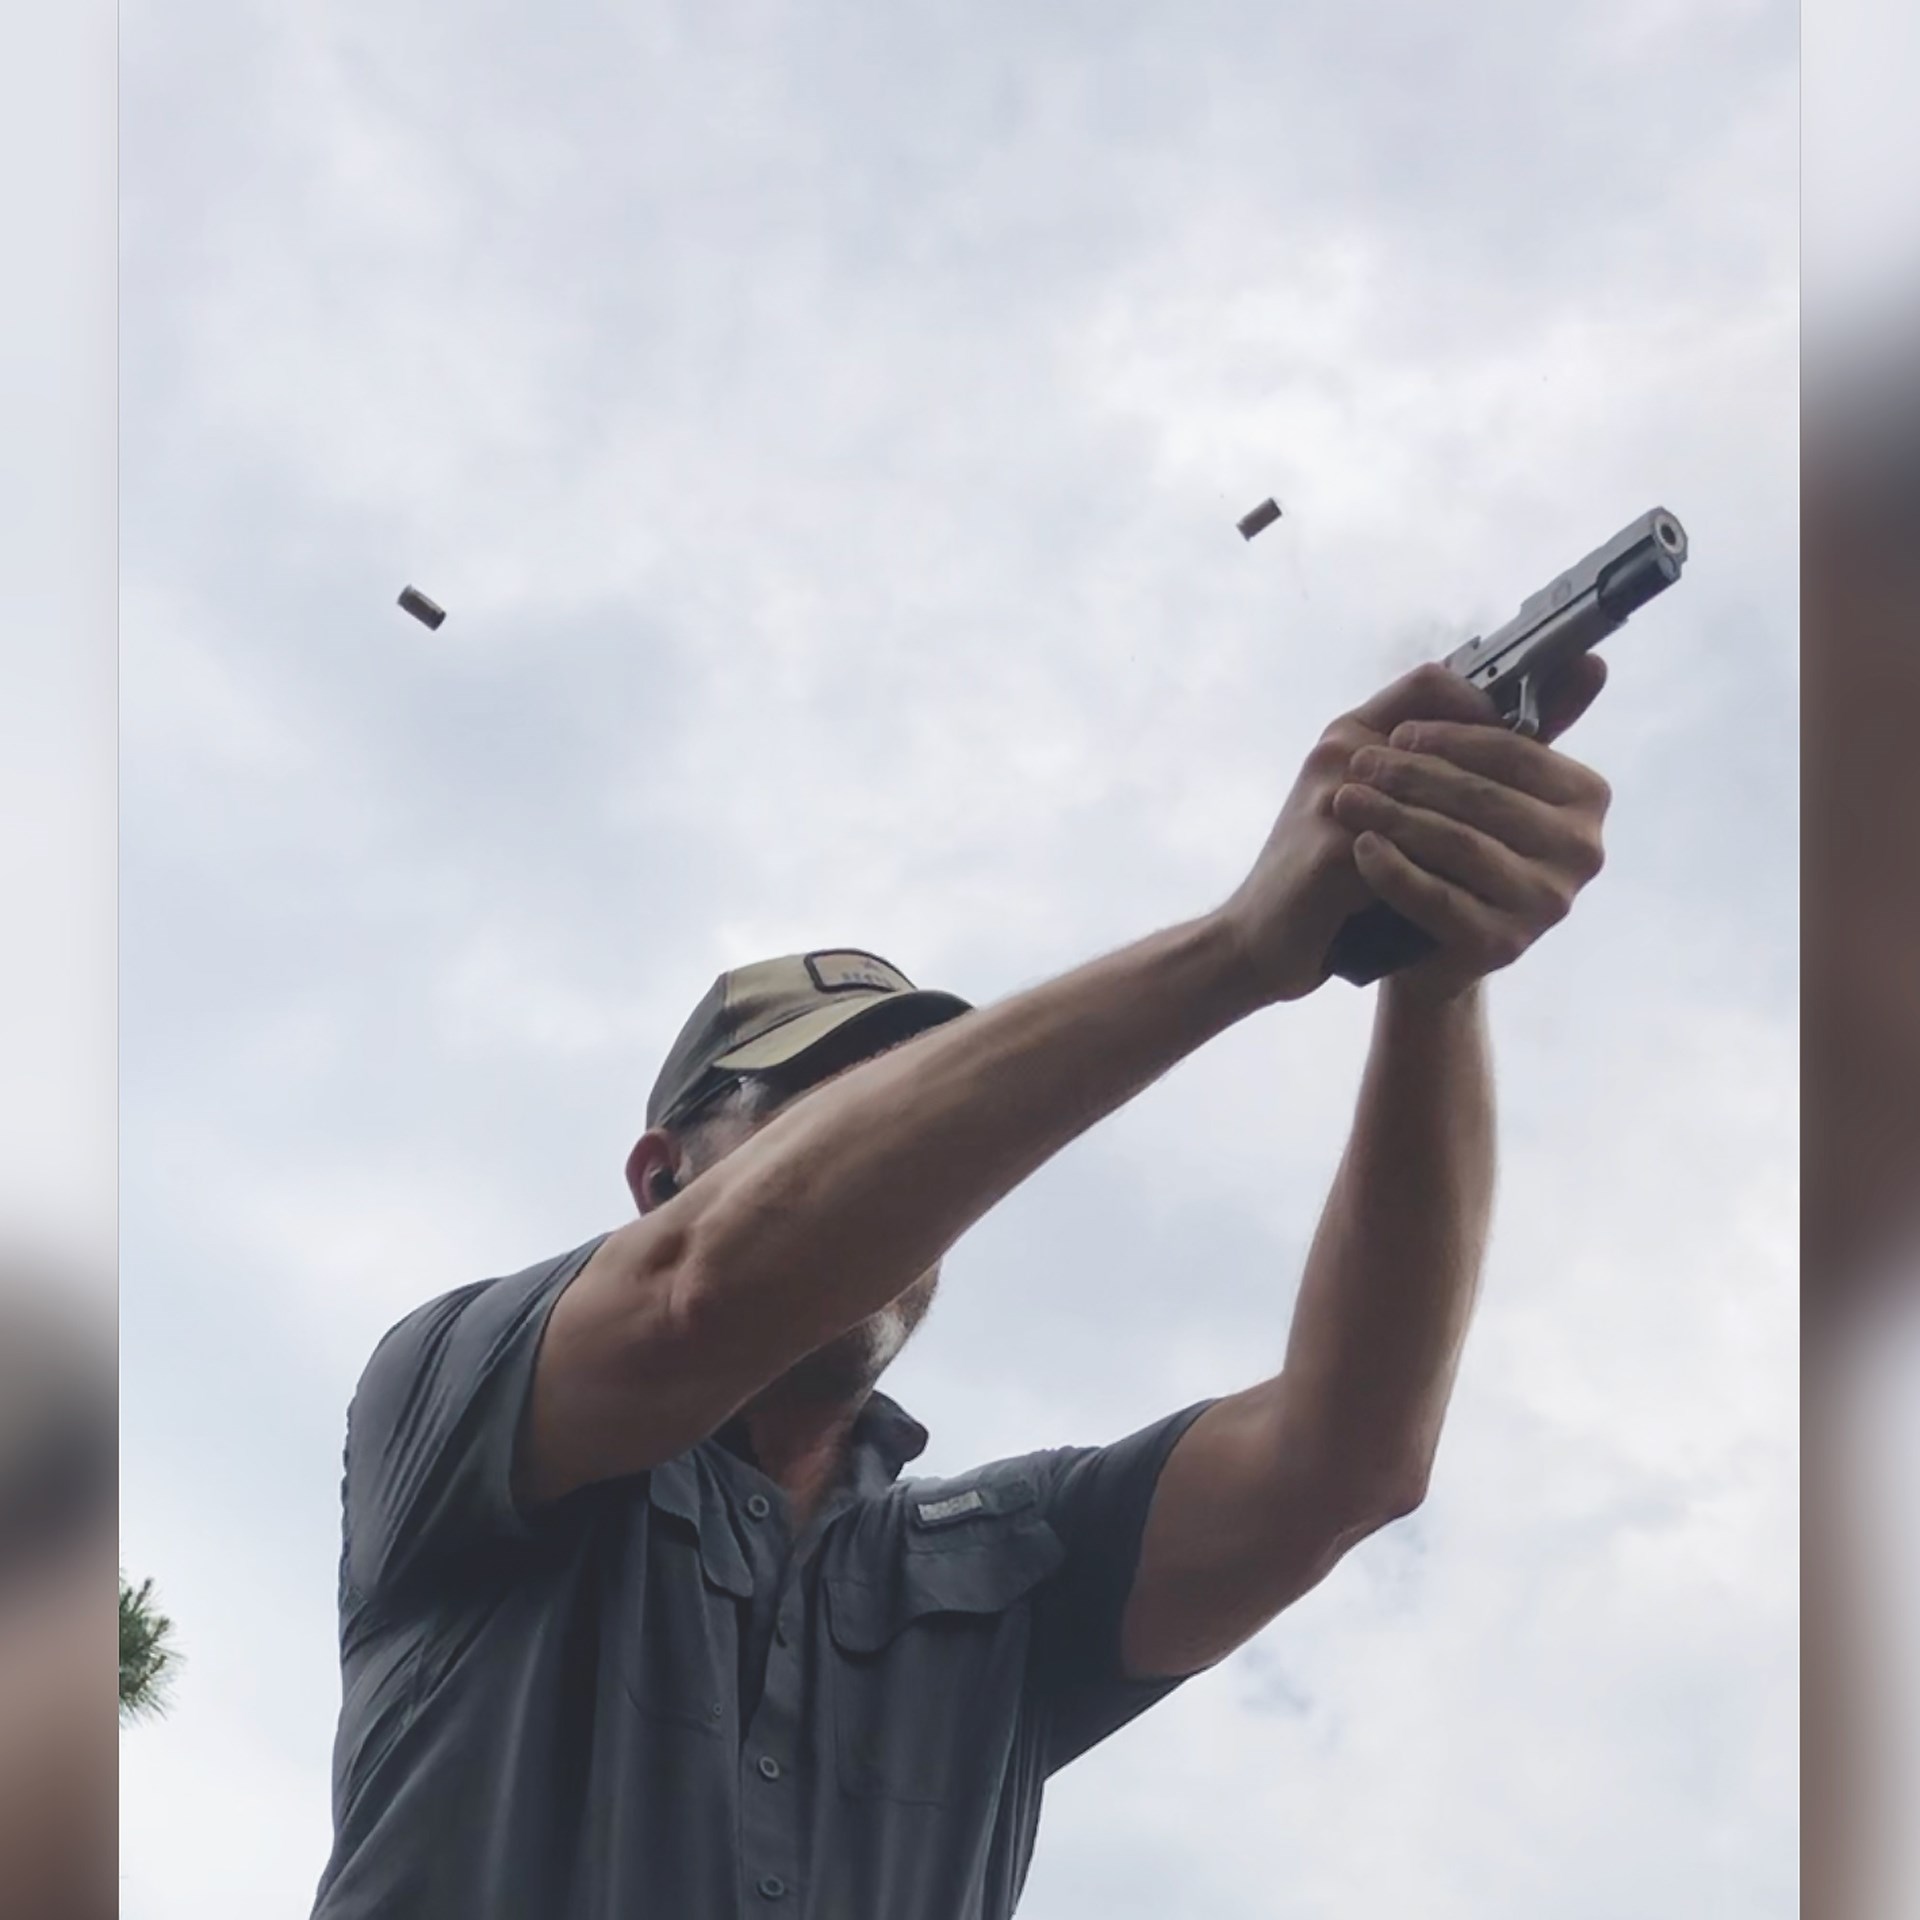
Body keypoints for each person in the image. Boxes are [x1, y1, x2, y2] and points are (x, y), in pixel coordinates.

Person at [309, 657, 1612, 1919]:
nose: (913, 1150)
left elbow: (1349, 1460)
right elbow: (696, 1296)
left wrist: (1432, 980)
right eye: (839, 1107)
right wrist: (1235, 948)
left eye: (929, 1103)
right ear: (662, 1172)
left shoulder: (1008, 1566)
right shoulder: (454, 1394)